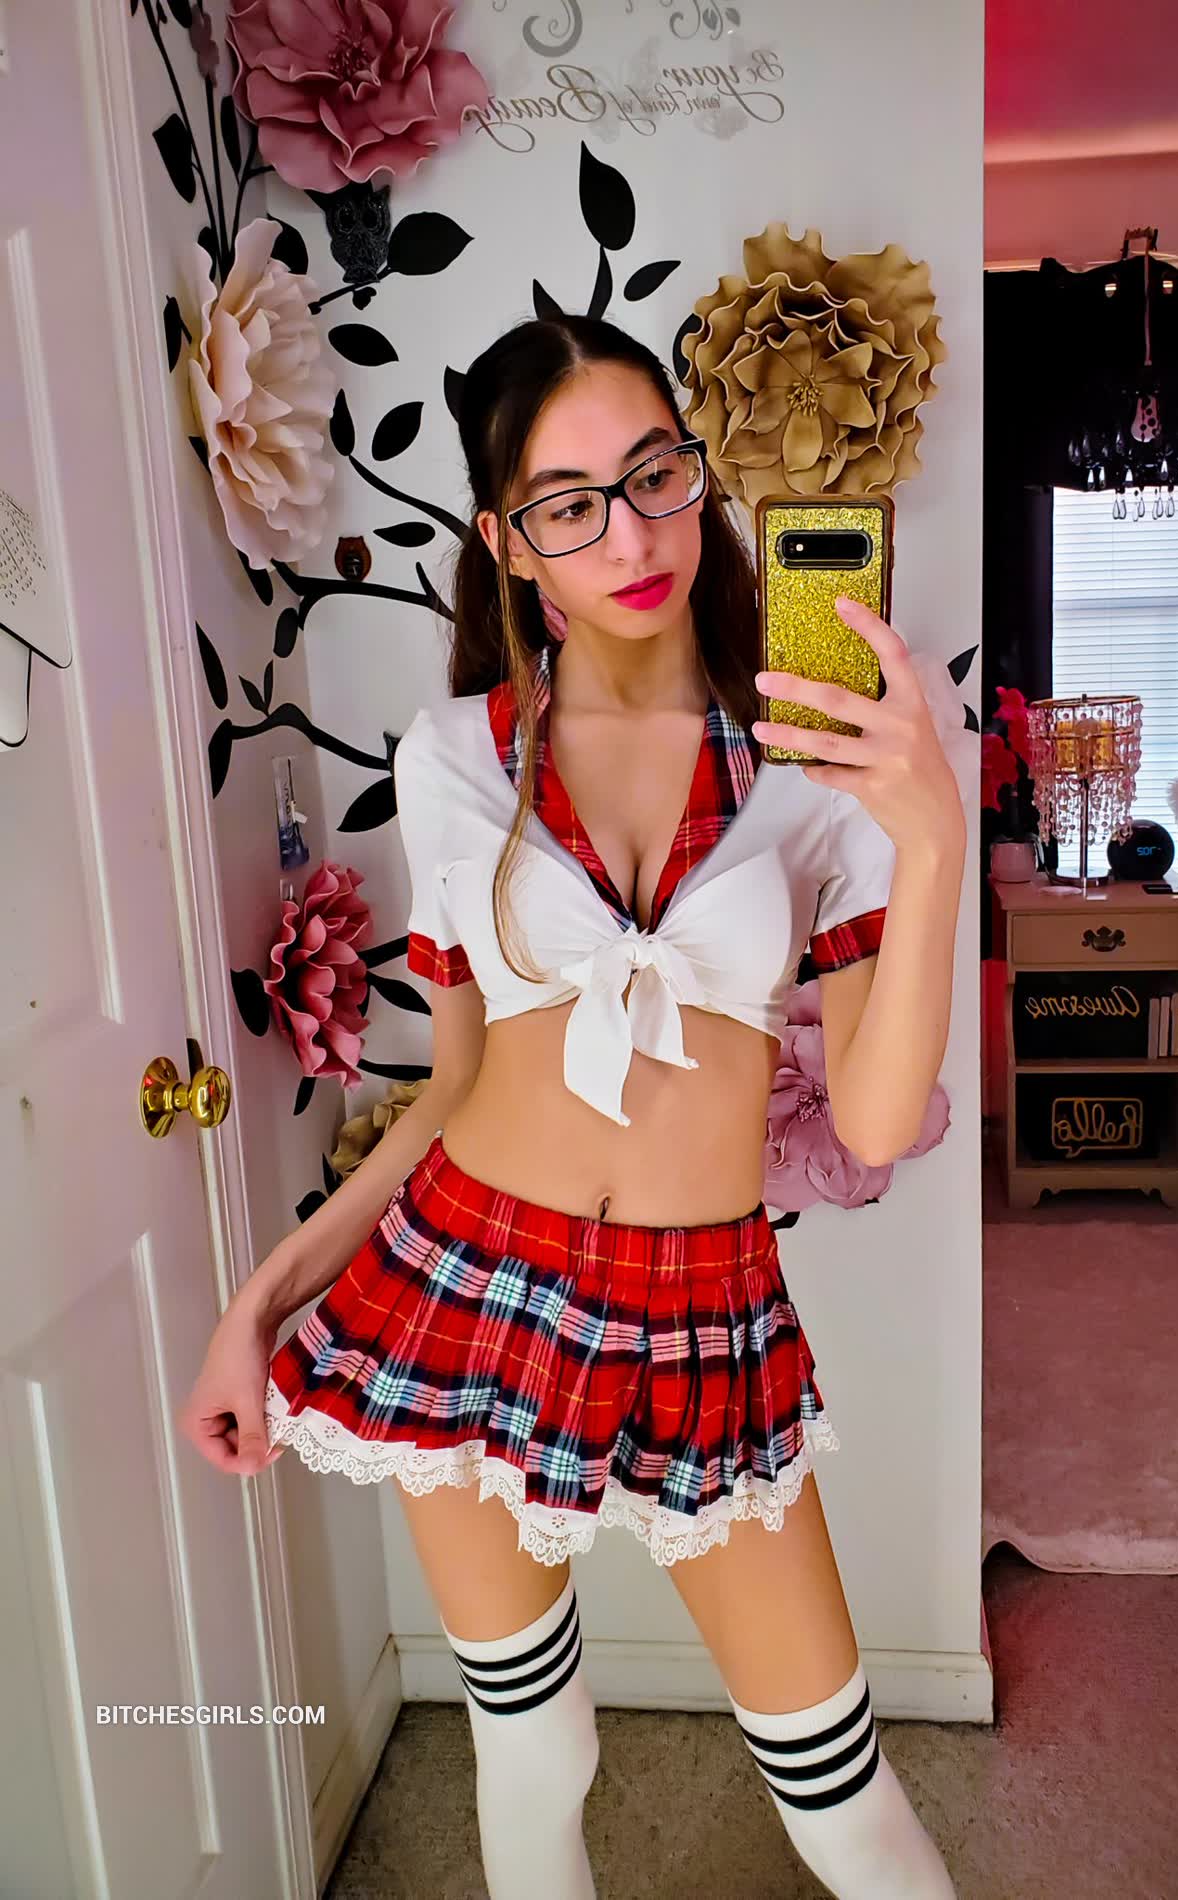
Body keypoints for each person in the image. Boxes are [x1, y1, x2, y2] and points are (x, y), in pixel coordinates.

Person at [180, 313, 965, 1899]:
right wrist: (255, 1309)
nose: (630, 535)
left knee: (842, 1798)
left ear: (699, 474)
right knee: (535, 1751)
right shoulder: (455, 756)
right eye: (568, 503)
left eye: (656, 473)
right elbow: (455, 1087)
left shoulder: (816, 764)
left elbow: (877, 1128)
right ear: (506, 542)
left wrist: (932, 834)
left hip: (704, 1307)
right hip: (466, 1284)